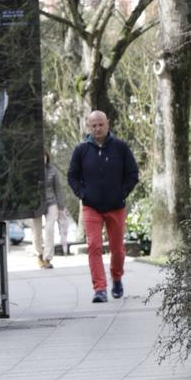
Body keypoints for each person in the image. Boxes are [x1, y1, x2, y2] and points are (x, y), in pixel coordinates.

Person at [68, 109, 138, 304]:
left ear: (107, 124)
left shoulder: (121, 148)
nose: (98, 128)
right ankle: (99, 289)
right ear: (88, 127)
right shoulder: (81, 150)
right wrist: (82, 194)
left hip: (116, 206)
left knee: (117, 250)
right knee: (94, 246)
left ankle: (116, 278)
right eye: (94, 125)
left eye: (101, 124)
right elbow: (72, 176)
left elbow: (132, 174)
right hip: (91, 207)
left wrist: (122, 192)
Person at [32, 147, 70, 267]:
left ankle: (47, 258)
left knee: (49, 228)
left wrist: (61, 206)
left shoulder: (52, 170)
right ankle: (39, 254)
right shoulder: (31, 171)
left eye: (44, 156)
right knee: (36, 231)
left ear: (47, 157)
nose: (42, 158)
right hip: (36, 204)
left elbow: (58, 189)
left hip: (51, 202)